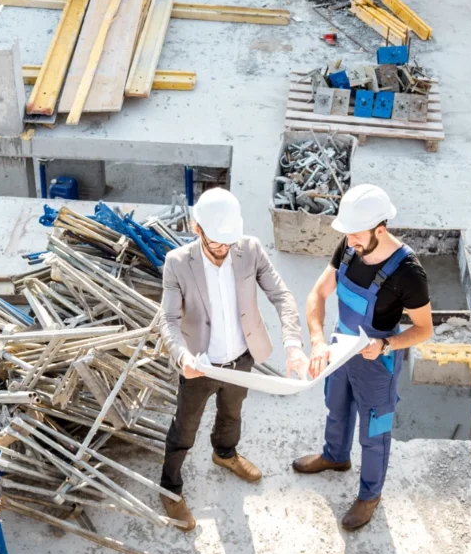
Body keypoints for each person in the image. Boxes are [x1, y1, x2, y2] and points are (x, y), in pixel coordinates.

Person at [159, 187, 308, 531]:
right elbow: (167, 319)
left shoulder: (249, 250)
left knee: (232, 413)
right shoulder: (178, 263)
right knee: (185, 427)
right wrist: (182, 356)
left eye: (228, 243)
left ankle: (224, 454)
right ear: (198, 230)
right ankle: (169, 486)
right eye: (215, 243)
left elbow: (281, 295)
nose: (223, 251)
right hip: (200, 364)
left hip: (241, 359)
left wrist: (293, 343)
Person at [293, 184, 433, 531]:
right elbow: (317, 294)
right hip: (340, 350)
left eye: (356, 236)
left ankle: (370, 495)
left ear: (380, 230)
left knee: (375, 432)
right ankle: (334, 457)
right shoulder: (349, 245)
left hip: (376, 362)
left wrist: (386, 346)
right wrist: (317, 340)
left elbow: (424, 329)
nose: (350, 243)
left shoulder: (408, 274)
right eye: (348, 236)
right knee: (336, 408)